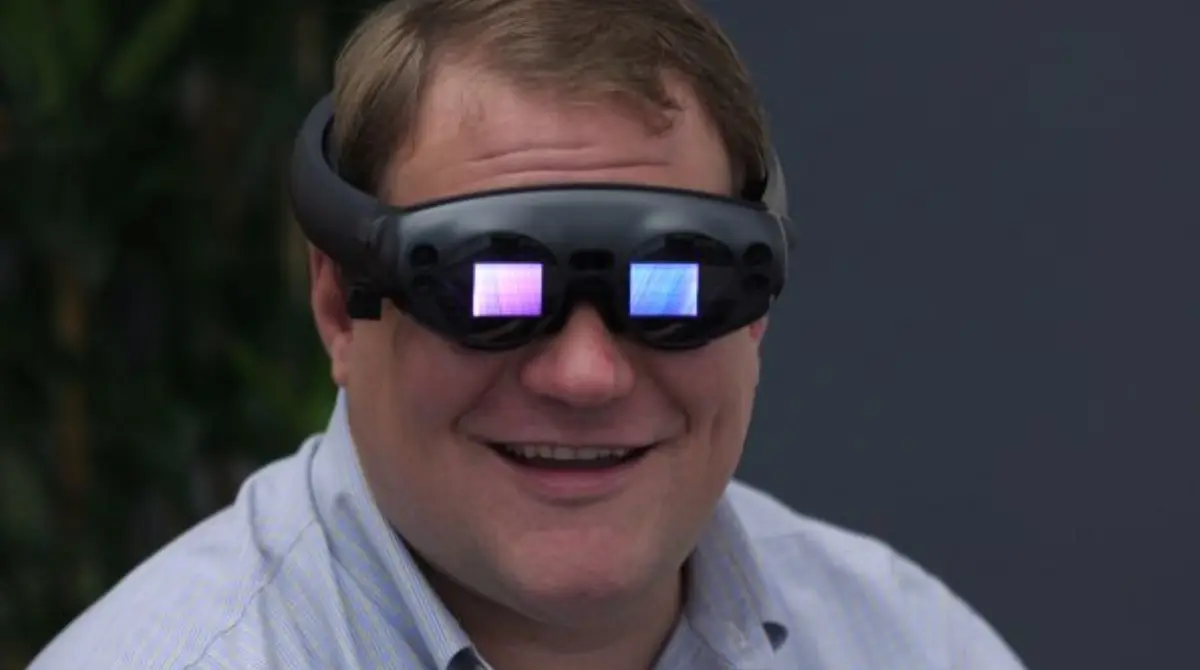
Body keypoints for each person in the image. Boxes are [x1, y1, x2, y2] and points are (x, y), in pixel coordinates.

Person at [30, 0, 1027, 668]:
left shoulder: (908, 644)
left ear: (754, 306)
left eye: (671, 282)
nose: (586, 374)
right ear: (341, 307)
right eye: (491, 286)